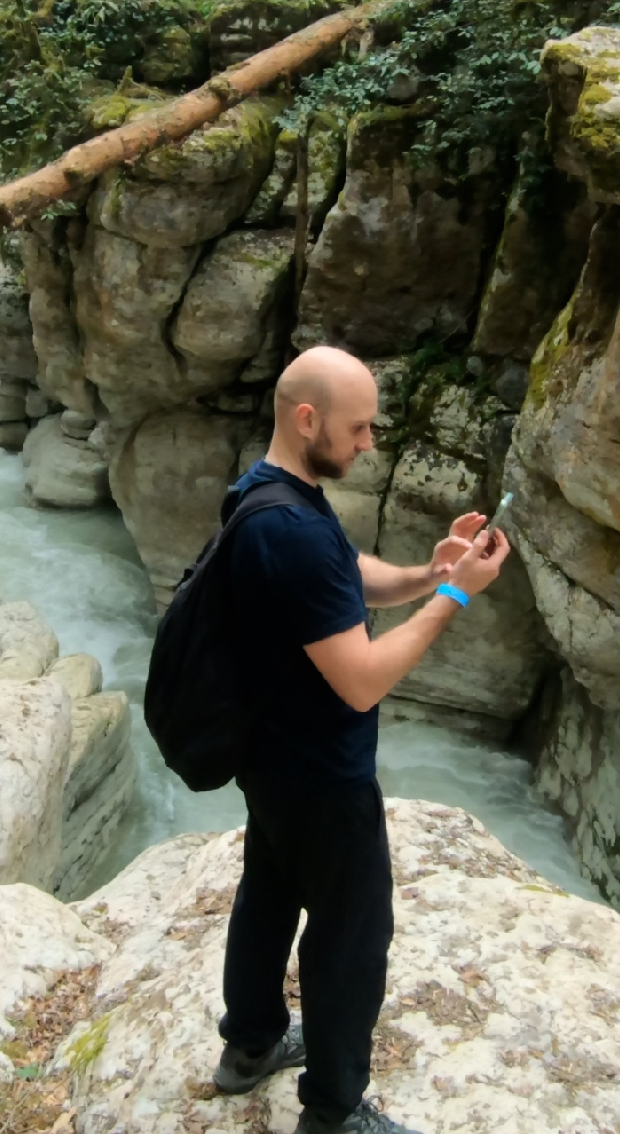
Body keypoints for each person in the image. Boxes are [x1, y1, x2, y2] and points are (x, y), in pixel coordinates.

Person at [208, 344, 512, 1134]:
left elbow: (341, 578)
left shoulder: (266, 492)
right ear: (307, 418)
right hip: (321, 773)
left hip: (268, 757)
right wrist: (455, 595)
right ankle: (333, 1111)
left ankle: (248, 1046)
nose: (370, 441)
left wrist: (424, 570)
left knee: (269, 892)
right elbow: (362, 677)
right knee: (353, 934)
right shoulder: (293, 530)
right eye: (360, 427)